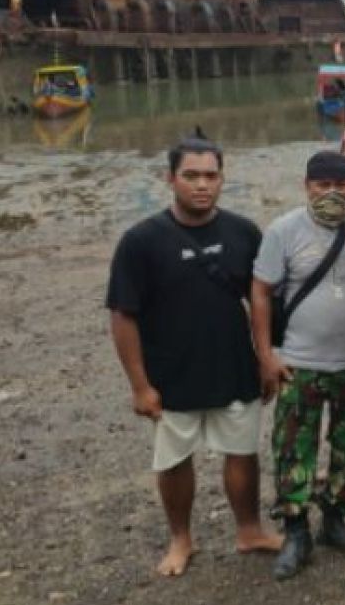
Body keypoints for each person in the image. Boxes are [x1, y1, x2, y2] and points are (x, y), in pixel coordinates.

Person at [106, 131, 281, 578]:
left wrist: (266, 357)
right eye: (191, 176)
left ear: (223, 179)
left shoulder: (244, 233)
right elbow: (123, 316)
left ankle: (249, 529)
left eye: (211, 176)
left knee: (243, 452)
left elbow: (260, 302)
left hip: (234, 366)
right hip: (171, 374)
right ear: (170, 178)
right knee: (173, 460)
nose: (201, 185)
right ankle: (181, 538)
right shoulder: (140, 241)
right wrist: (140, 385)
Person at [250, 152, 345, 580]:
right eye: (323, 185)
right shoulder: (283, 231)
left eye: (342, 184)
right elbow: (261, 292)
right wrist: (266, 355)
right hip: (299, 363)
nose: (333, 193)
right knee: (292, 449)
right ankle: (296, 530)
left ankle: (336, 520)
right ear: (306, 186)